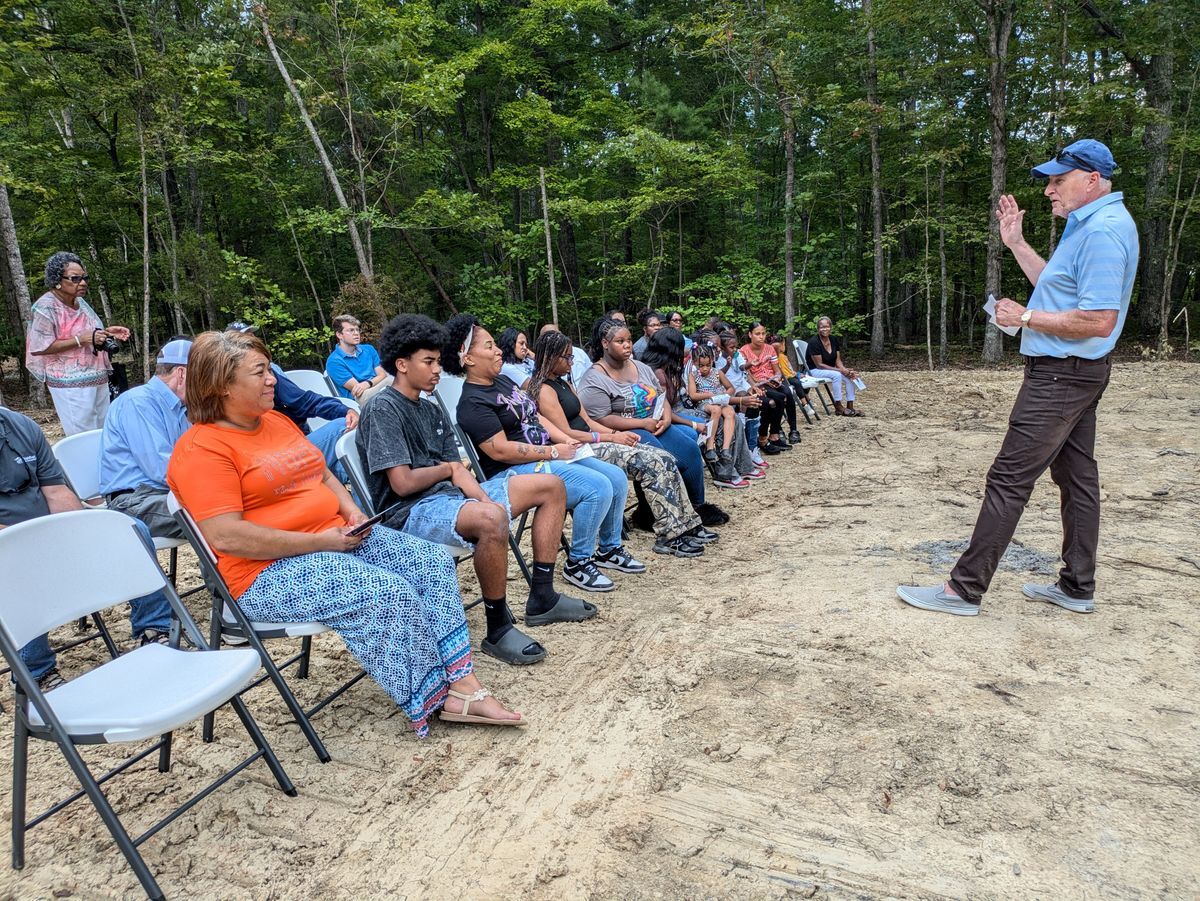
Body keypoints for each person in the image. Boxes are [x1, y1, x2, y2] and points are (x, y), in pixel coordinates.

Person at [167, 330, 524, 733]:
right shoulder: (202, 449)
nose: (273, 380)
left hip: (335, 538)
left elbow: (319, 472)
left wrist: (352, 511)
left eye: (269, 370)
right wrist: (322, 541)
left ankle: (463, 683)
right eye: (260, 372)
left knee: (431, 562)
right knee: (387, 592)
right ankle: (432, 697)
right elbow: (227, 537)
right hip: (263, 573)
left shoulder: (276, 422)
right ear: (221, 384)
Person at [897, 138, 1138, 618]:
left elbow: (1099, 319)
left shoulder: (1102, 232)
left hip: (1060, 377)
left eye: (1058, 180)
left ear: (1092, 178)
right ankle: (1076, 586)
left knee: (1009, 478)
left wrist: (1026, 318)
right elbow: (1060, 289)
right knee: (1077, 479)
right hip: (1077, 373)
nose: (1049, 190)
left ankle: (962, 591)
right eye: (1048, 181)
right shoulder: (1086, 224)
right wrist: (1017, 244)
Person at [357, 314, 591, 665]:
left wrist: (483, 497)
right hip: (408, 513)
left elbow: (458, 473)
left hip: (449, 499)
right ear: (402, 365)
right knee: (489, 519)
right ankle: (497, 628)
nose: (439, 369)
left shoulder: (430, 407)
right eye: (430, 362)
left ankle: (543, 597)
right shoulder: (382, 408)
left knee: (551, 486)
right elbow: (402, 483)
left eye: (439, 361)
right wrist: (454, 476)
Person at [443, 314, 645, 594]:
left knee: (616, 477)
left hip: (549, 453)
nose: (499, 349)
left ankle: (609, 548)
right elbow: (500, 450)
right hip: (515, 471)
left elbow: (534, 415)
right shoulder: (472, 402)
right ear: (468, 358)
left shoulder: (502, 383)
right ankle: (578, 562)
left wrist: (565, 441)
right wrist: (552, 451)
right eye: (489, 346)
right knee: (596, 488)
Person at [1, 405, 174, 693]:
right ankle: (35, 672)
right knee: (16, 556)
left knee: (131, 529)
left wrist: (78, 531)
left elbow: (56, 492)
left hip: (47, 531)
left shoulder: (20, 426)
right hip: (12, 545)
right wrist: (27, 540)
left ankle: (154, 629)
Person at [528, 329, 709, 558]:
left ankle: (687, 524)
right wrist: (612, 437)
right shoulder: (544, 390)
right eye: (566, 357)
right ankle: (670, 535)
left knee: (664, 457)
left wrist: (615, 433)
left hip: (595, 440)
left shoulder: (564, 384)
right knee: (652, 462)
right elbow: (567, 434)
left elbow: (587, 421)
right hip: (579, 450)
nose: (571, 362)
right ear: (550, 357)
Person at [578, 317, 729, 527]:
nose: (627, 345)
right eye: (620, 341)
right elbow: (600, 418)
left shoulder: (640, 367)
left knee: (690, 449)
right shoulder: (595, 378)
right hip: (623, 430)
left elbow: (661, 396)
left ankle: (696, 508)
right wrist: (643, 424)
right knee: (662, 457)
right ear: (605, 343)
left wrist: (666, 418)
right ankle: (655, 514)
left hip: (656, 423)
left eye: (629, 340)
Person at [227, 322, 359, 477]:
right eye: (245, 337)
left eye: (252, 334)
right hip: (279, 459)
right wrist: (346, 413)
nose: (271, 380)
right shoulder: (230, 416)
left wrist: (343, 409)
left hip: (294, 443)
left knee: (346, 468)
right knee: (345, 424)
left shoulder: (271, 376)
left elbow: (304, 401)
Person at [24, 251, 132, 435]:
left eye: (84, 278)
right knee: (82, 435)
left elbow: (87, 333)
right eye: (75, 278)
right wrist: (79, 340)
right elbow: (38, 347)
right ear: (57, 280)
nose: (82, 283)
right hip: (70, 383)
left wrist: (106, 332)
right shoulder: (45, 307)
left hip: (97, 377)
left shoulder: (80, 302)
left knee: (104, 431)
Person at [99, 338, 193, 539]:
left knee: (226, 511)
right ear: (181, 373)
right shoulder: (139, 402)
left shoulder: (181, 407)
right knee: (214, 517)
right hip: (133, 500)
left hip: (164, 495)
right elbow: (162, 469)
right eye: (204, 375)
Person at [645, 328, 759, 487]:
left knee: (731, 416)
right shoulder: (658, 374)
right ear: (672, 348)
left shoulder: (669, 368)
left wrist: (737, 400)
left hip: (686, 407)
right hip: (677, 413)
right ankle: (724, 474)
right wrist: (692, 424)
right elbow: (665, 411)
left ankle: (741, 466)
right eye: (681, 346)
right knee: (715, 422)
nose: (684, 351)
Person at [686, 345, 741, 475]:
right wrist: (709, 395)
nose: (705, 368)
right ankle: (710, 445)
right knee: (716, 410)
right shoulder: (692, 375)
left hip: (720, 400)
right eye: (701, 365)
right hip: (705, 403)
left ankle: (726, 449)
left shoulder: (717, 373)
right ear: (694, 363)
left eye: (708, 365)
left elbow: (730, 388)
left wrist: (725, 395)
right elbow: (693, 395)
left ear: (712, 361)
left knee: (730, 413)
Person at [741, 322, 793, 453]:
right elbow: (746, 373)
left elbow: (777, 370)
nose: (761, 337)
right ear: (750, 334)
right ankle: (769, 436)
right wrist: (756, 385)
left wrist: (776, 378)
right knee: (778, 399)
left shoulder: (770, 349)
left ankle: (785, 432)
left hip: (771, 381)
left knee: (787, 393)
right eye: (757, 334)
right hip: (757, 383)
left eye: (763, 333)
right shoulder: (743, 351)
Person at [716, 331, 767, 466]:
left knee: (756, 401)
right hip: (728, 391)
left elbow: (742, 367)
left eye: (735, 346)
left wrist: (751, 363)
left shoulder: (737, 355)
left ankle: (752, 448)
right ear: (722, 348)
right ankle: (742, 419)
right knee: (747, 399)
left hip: (741, 386)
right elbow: (720, 376)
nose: (735, 349)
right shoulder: (718, 358)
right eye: (731, 347)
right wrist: (727, 364)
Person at [805, 317, 862, 416]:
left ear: (830, 327)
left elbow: (837, 360)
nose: (824, 329)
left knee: (850, 377)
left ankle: (850, 406)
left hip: (830, 370)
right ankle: (838, 406)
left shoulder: (833, 340)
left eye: (826, 326)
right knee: (837, 375)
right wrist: (840, 371)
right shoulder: (814, 342)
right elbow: (819, 365)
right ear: (818, 329)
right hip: (814, 370)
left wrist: (845, 370)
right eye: (821, 327)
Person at [325, 314, 388, 401]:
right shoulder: (334, 361)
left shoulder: (369, 349)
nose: (356, 333)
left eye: (357, 330)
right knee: (397, 380)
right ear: (339, 335)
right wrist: (373, 383)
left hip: (377, 388)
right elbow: (358, 390)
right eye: (351, 330)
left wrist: (368, 383)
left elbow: (382, 374)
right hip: (360, 399)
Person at [772, 334, 816, 431]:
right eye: (783, 343)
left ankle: (807, 399)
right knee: (796, 382)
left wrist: (798, 374)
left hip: (791, 376)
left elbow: (790, 370)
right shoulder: (776, 357)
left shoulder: (784, 356)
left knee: (801, 381)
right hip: (785, 379)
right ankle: (805, 404)